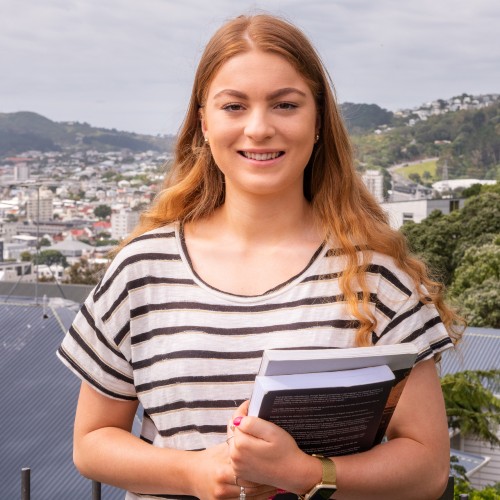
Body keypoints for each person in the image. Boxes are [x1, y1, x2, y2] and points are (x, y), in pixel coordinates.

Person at [57, 13, 463, 500]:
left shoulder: (376, 277)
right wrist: (192, 473)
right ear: (203, 122)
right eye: (233, 106)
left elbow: (427, 466)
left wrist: (307, 473)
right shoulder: (141, 271)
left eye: (285, 105)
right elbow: (92, 442)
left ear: (317, 122)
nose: (259, 128)